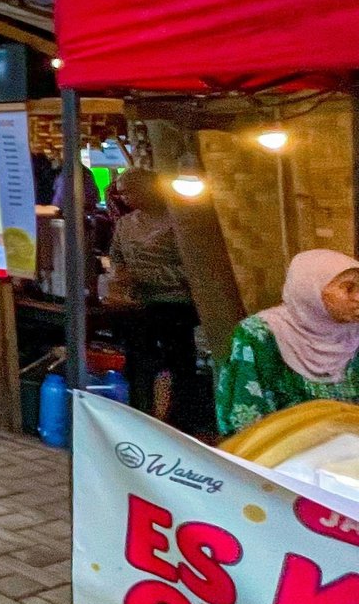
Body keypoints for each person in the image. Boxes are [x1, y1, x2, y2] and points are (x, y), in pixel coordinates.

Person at [216, 249, 359, 437]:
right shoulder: (260, 335)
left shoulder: (354, 333)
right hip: (282, 455)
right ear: (310, 288)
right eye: (348, 288)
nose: (357, 297)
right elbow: (243, 417)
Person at [107, 168, 201, 422]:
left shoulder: (178, 222)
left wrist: (145, 276)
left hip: (175, 304)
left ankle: (181, 420)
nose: (125, 198)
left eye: (130, 192)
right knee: (139, 363)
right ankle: (142, 414)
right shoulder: (125, 224)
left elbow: (194, 270)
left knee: (179, 365)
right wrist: (120, 277)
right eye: (121, 194)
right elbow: (116, 259)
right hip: (137, 305)